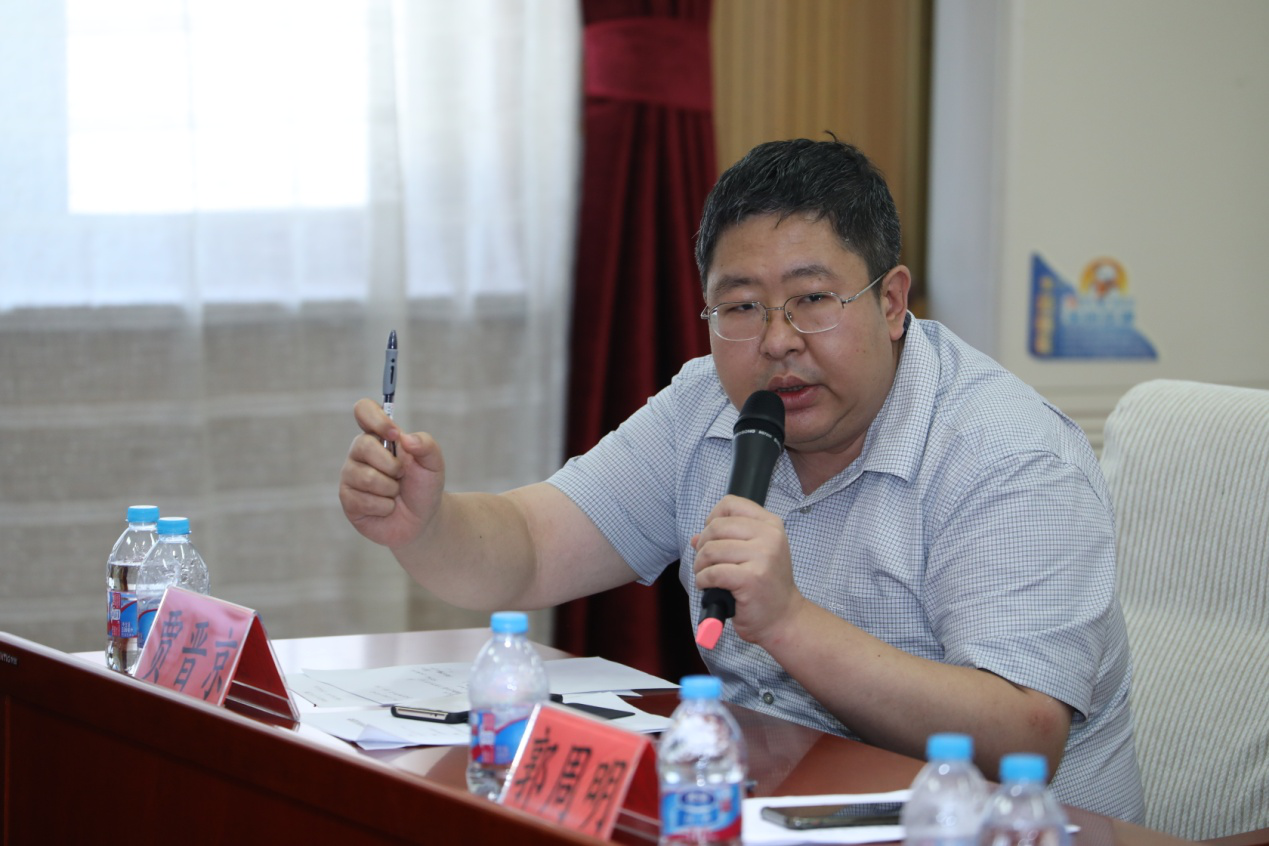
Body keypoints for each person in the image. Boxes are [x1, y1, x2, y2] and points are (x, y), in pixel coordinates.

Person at [339, 138, 1145, 822]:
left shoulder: (1008, 452)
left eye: (812, 299)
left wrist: (789, 621)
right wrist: (428, 524)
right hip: (781, 812)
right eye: (741, 308)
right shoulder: (705, 405)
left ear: (892, 302)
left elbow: (1021, 735)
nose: (777, 340)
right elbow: (530, 548)